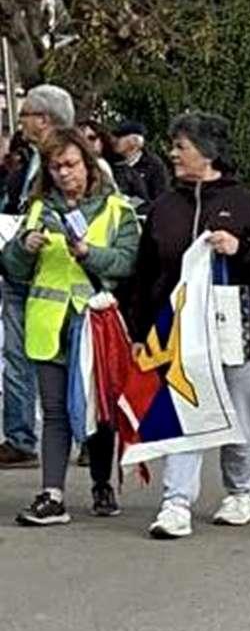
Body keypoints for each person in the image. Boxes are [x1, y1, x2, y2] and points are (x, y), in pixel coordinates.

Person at [128, 112, 250, 540]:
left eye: (181, 146)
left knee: (240, 412)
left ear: (208, 151)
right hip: (178, 333)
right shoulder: (164, 207)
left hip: (236, 330)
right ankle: (176, 501)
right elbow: (144, 274)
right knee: (183, 410)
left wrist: (241, 248)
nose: (172, 154)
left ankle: (240, 491)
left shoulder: (246, 203)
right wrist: (140, 333)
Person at [4, 127, 139, 524]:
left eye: (70, 164)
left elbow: (126, 262)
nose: (63, 173)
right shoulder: (38, 209)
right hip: (48, 323)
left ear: (88, 164)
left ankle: (101, 483)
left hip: (94, 323)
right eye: (54, 167)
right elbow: (12, 268)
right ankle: (52, 494)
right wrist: (22, 249)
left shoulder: (117, 209)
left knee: (98, 410)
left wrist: (88, 253)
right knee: (55, 411)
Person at [0, 85, 77, 470]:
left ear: (44, 119)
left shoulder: (76, 163)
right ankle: (19, 437)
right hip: (20, 269)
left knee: (71, 362)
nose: (20, 122)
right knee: (16, 357)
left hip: (62, 278)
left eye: (25, 114)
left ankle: (89, 437)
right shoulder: (26, 164)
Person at [79, 119, 148, 211]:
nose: (85, 143)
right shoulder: (68, 170)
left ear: (102, 141)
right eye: (80, 139)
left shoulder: (122, 169)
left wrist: (123, 203)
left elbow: (142, 200)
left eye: (91, 138)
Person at [114, 120, 171, 201]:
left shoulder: (154, 165)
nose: (115, 141)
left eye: (120, 137)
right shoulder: (114, 163)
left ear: (134, 141)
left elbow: (161, 196)